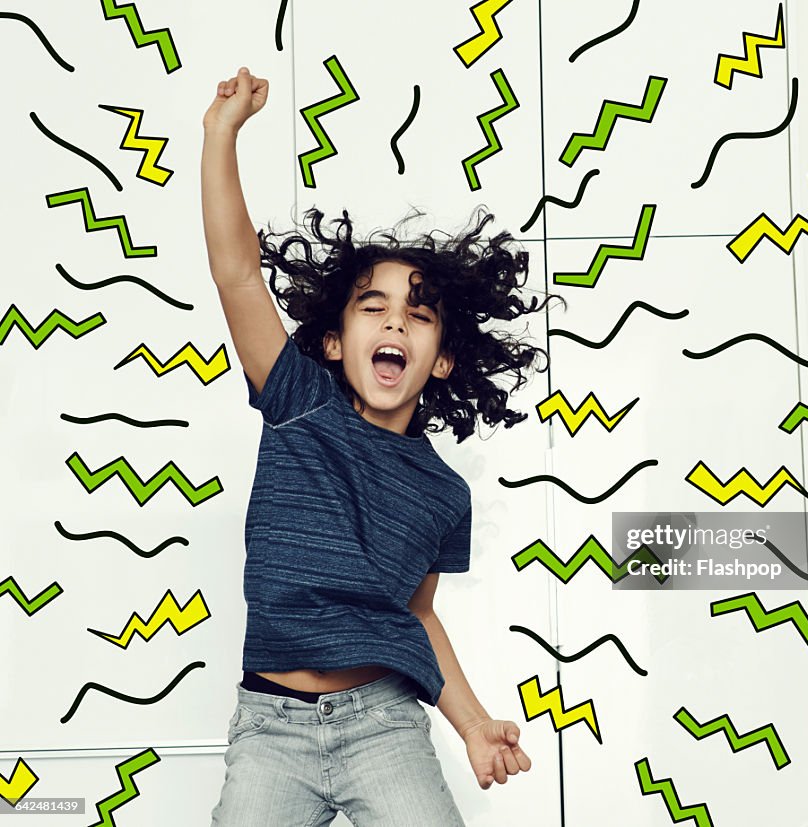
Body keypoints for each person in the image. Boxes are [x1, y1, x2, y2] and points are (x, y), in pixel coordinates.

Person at [202, 67, 563, 825]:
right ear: (334, 340)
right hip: (270, 729)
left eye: (419, 316)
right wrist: (221, 135)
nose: (395, 323)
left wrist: (471, 723)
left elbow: (420, 617)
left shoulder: (442, 493)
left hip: (385, 724)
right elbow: (237, 273)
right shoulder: (299, 399)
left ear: (443, 357)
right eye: (375, 308)